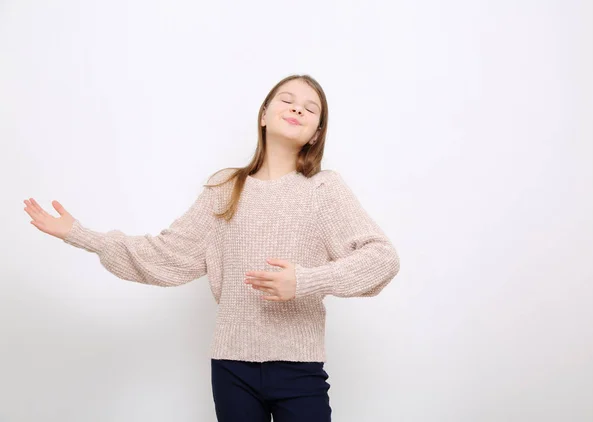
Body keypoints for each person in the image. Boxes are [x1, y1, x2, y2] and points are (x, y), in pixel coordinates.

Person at [23, 74, 400, 422]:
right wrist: (80, 234)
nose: (297, 107)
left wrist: (304, 281)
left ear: (316, 133)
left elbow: (381, 258)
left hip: (299, 367)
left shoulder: (324, 189)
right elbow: (167, 255)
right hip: (231, 367)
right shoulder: (225, 186)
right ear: (264, 115)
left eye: (310, 106)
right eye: (286, 100)